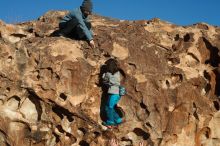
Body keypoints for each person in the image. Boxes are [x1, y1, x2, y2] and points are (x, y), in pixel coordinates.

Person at [102, 59, 123, 128]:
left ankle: (110, 122)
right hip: (118, 93)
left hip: (113, 93)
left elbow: (104, 81)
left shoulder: (107, 74)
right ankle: (118, 119)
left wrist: (103, 76)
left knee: (109, 107)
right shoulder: (118, 73)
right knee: (111, 107)